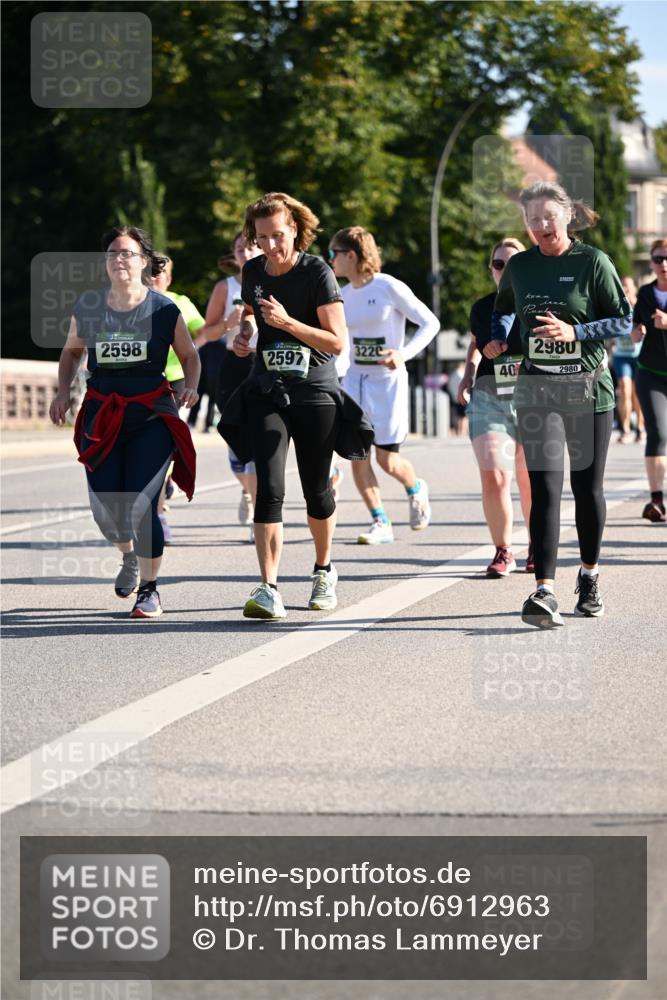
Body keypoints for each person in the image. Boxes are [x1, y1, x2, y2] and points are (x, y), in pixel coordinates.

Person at [219, 192, 372, 620]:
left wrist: (288, 323)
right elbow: (251, 311)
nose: (270, 245)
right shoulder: (253, 270)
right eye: (262, 237)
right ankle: (268, 587)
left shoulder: (316, 272)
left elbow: (337, 341)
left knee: (316, 490)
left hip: (315, 390)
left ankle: (323, 570)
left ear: (295, 231)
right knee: (268, 487)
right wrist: (246, 333)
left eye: (278, 236)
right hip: (268, 386)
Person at [490, 181, 632, 628]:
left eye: (548, 217)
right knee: (545, 488)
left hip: (588, 390)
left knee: (587, 489)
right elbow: (503, 310)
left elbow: (623, 318)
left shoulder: (593, 262)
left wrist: (576, 333)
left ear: (567, 216)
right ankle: (545, 589)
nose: (541, 226)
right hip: (537, 390)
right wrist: (498, 338)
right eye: (532, 220)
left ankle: (589, 577)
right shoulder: (521, 267)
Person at [49, 226, 200, 618]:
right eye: (113, 253)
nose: (120, 259)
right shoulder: (89, 306)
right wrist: (63, 391)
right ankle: (129, 555)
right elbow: (70, 354)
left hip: (150, 414)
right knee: (107, 514)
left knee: (142, 503)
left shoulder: (165, 309)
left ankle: (150, 589)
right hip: (102, 414)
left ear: (144, 261)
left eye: (129, 253)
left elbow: (190, 357)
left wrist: (192, 387)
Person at [329, 226, 439, 544]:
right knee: (358, 454)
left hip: (387, 382)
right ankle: (381, 521)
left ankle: (416, 487)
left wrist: (402, 354)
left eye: (333, 253)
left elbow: (430, 323)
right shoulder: (341, 295)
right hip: (354, 382)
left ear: (351, 255)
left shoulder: (388, 286)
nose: (330, 260)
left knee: (386, 459)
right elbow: (342, 343)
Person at [457, 238, 532, 577]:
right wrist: (468, 373)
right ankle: (503, 550)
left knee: (529, 480)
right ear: (491, 269)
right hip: (490, 397)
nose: (504, 269)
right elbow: (475, 343)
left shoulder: (538, 304)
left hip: (533, 399)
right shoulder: (482, 307)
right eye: (498, 264)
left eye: (512, 263)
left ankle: (537, 545)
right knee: (495, 476)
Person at [198, 233, 262, 538]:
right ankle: (248, 492)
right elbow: (206, 333)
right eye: (240, 248)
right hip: (232, 367)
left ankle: (259, 513)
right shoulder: (226, 287)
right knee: (236, 439)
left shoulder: (273, 280)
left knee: (260, 441)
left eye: (251, 246)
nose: (246, 252)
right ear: (234, 255)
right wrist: (228, 323)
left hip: (264, 364)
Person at [148, 253, 206, 544]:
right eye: (151, 273)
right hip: (146, 382)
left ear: (169, 279)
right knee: (154, 450)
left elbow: (203, 333)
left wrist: (228, 325)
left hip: (176, 379)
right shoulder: (131, 303)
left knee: (169, 444)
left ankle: (159, 506)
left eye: (161, 274)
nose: (155, 278)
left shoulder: (179, 302)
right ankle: (157, 507)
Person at [632, 238, 667, 522]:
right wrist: (636, 330)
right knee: (658, 432)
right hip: (651, 372)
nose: (663, 264)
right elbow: (635, 322)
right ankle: (656, 501)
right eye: (658, 259)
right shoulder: (645, 293)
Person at [611, 275, 644, 444]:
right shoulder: (616, 306)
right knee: (624, 388)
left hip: (639, 355)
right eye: (622, 285)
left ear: (634, 289)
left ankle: (640, 427)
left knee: (638, 393)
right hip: (621, 356)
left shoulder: (641, 304)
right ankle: (625, 429)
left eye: (628, 285)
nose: (625, 288)